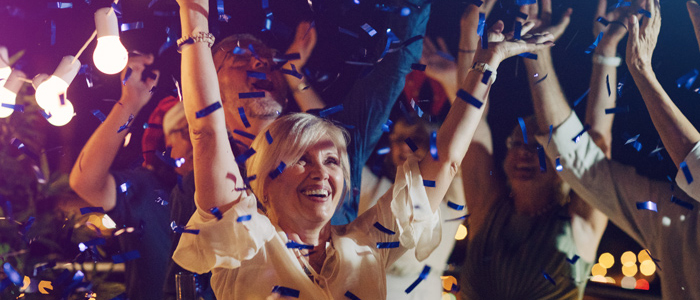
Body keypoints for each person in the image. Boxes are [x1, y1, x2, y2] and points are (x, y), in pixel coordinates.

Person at [172, 0, 554, 297]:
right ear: (264, 182)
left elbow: (448, 161)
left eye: (332, 160)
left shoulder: (366, 246)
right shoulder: (242, 240)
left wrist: (487, 66)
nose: (320, 171)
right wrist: (195, 21)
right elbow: (206, 130)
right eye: (301, 160)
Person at [165, 1, 432, 296]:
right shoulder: (198, 186)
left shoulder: (333, 148)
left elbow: (395, 69)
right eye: (239, 58)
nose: (259, 63)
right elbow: (180, 285)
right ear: (210, 83)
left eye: (268, 61)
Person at [456, 0, 641, 298]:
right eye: (517, 142)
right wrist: (469, 29)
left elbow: (596, 142)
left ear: (562, 162)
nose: (524, 152)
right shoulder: (487, 210)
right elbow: (470, 122)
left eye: (539, 146)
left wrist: (605, 52)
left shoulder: (579, 223)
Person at [534, 0, 700, 298]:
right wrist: (603, 53)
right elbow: (583, 164)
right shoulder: (676, 217)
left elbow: (695, 162)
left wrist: (642, 70)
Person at [68, 54, 194, 299]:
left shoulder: (235, 186)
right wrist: (130, 102)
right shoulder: (148, 188)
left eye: (207, 132)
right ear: (168, 142)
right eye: (187, 131)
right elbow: (85, 182)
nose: (198, 141)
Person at [358, 116, 466, 299]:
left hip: (427, 293)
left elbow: (459, 147)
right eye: (398, 139)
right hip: (377, 290)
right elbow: (337, 152)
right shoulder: (375, 191)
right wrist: (299, 87)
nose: (404, 146)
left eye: (415, 139)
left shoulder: (452, 198)